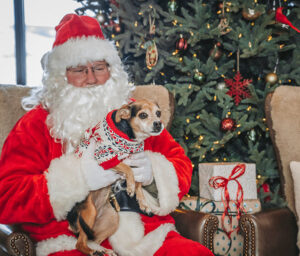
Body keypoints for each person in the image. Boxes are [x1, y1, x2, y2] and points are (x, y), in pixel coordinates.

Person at [0, 14, 213, 256]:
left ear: (111, 70)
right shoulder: (36, 125)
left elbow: (180, 163)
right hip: (70, 239)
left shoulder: (135, 113)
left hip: (144, 235)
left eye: (99, 68)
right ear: (61, 77)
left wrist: (154, 174)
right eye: (79, 70)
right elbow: (6, 197)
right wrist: (76, 180)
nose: (91, 79)